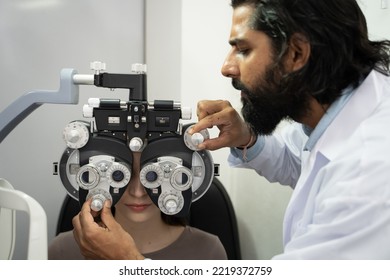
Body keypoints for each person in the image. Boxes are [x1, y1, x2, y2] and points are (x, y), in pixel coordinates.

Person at [190, 0, 390, 259]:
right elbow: (301, 159)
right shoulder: (341, 101)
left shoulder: (370, 174)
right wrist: (246, 138)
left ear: (296, 53)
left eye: (243, 49)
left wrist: (130, 261)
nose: (227, 68)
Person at [49, 152, 227, 260]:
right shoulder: (63, 250)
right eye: (119, 176)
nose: (137, 192)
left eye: (151, 176)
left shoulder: (207, 251)